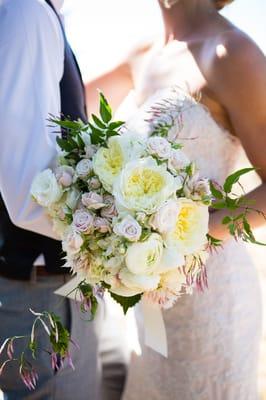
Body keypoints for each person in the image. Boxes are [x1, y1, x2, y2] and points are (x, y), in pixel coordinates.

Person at [99, 0, 266, 399]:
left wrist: (175, 241)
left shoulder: (232, 52)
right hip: (148, 302)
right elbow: (57, 111)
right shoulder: (142, 53)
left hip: (212, 302)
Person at [0, 1, 106, 399]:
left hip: (47, 287)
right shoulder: (27, 12)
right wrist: (120, 234)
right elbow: (28, 193)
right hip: (42, 297)